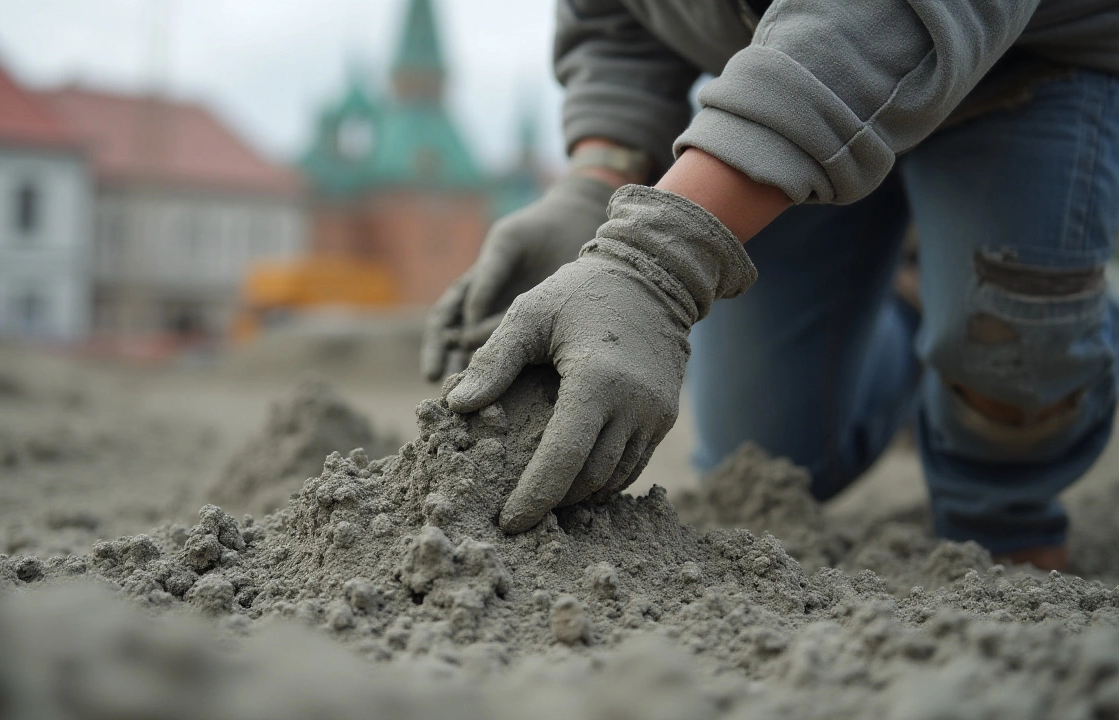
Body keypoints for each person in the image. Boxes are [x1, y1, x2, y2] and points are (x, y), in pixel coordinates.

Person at [421, 0, 1119, 571]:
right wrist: (595, 178)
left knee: (1006, 338)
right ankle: (914, 304)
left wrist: (654, 262)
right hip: (784, 74)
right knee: (765, 462)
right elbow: (618, 25)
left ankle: (1000, 507)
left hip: (1024, 65)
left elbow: (887, 19)